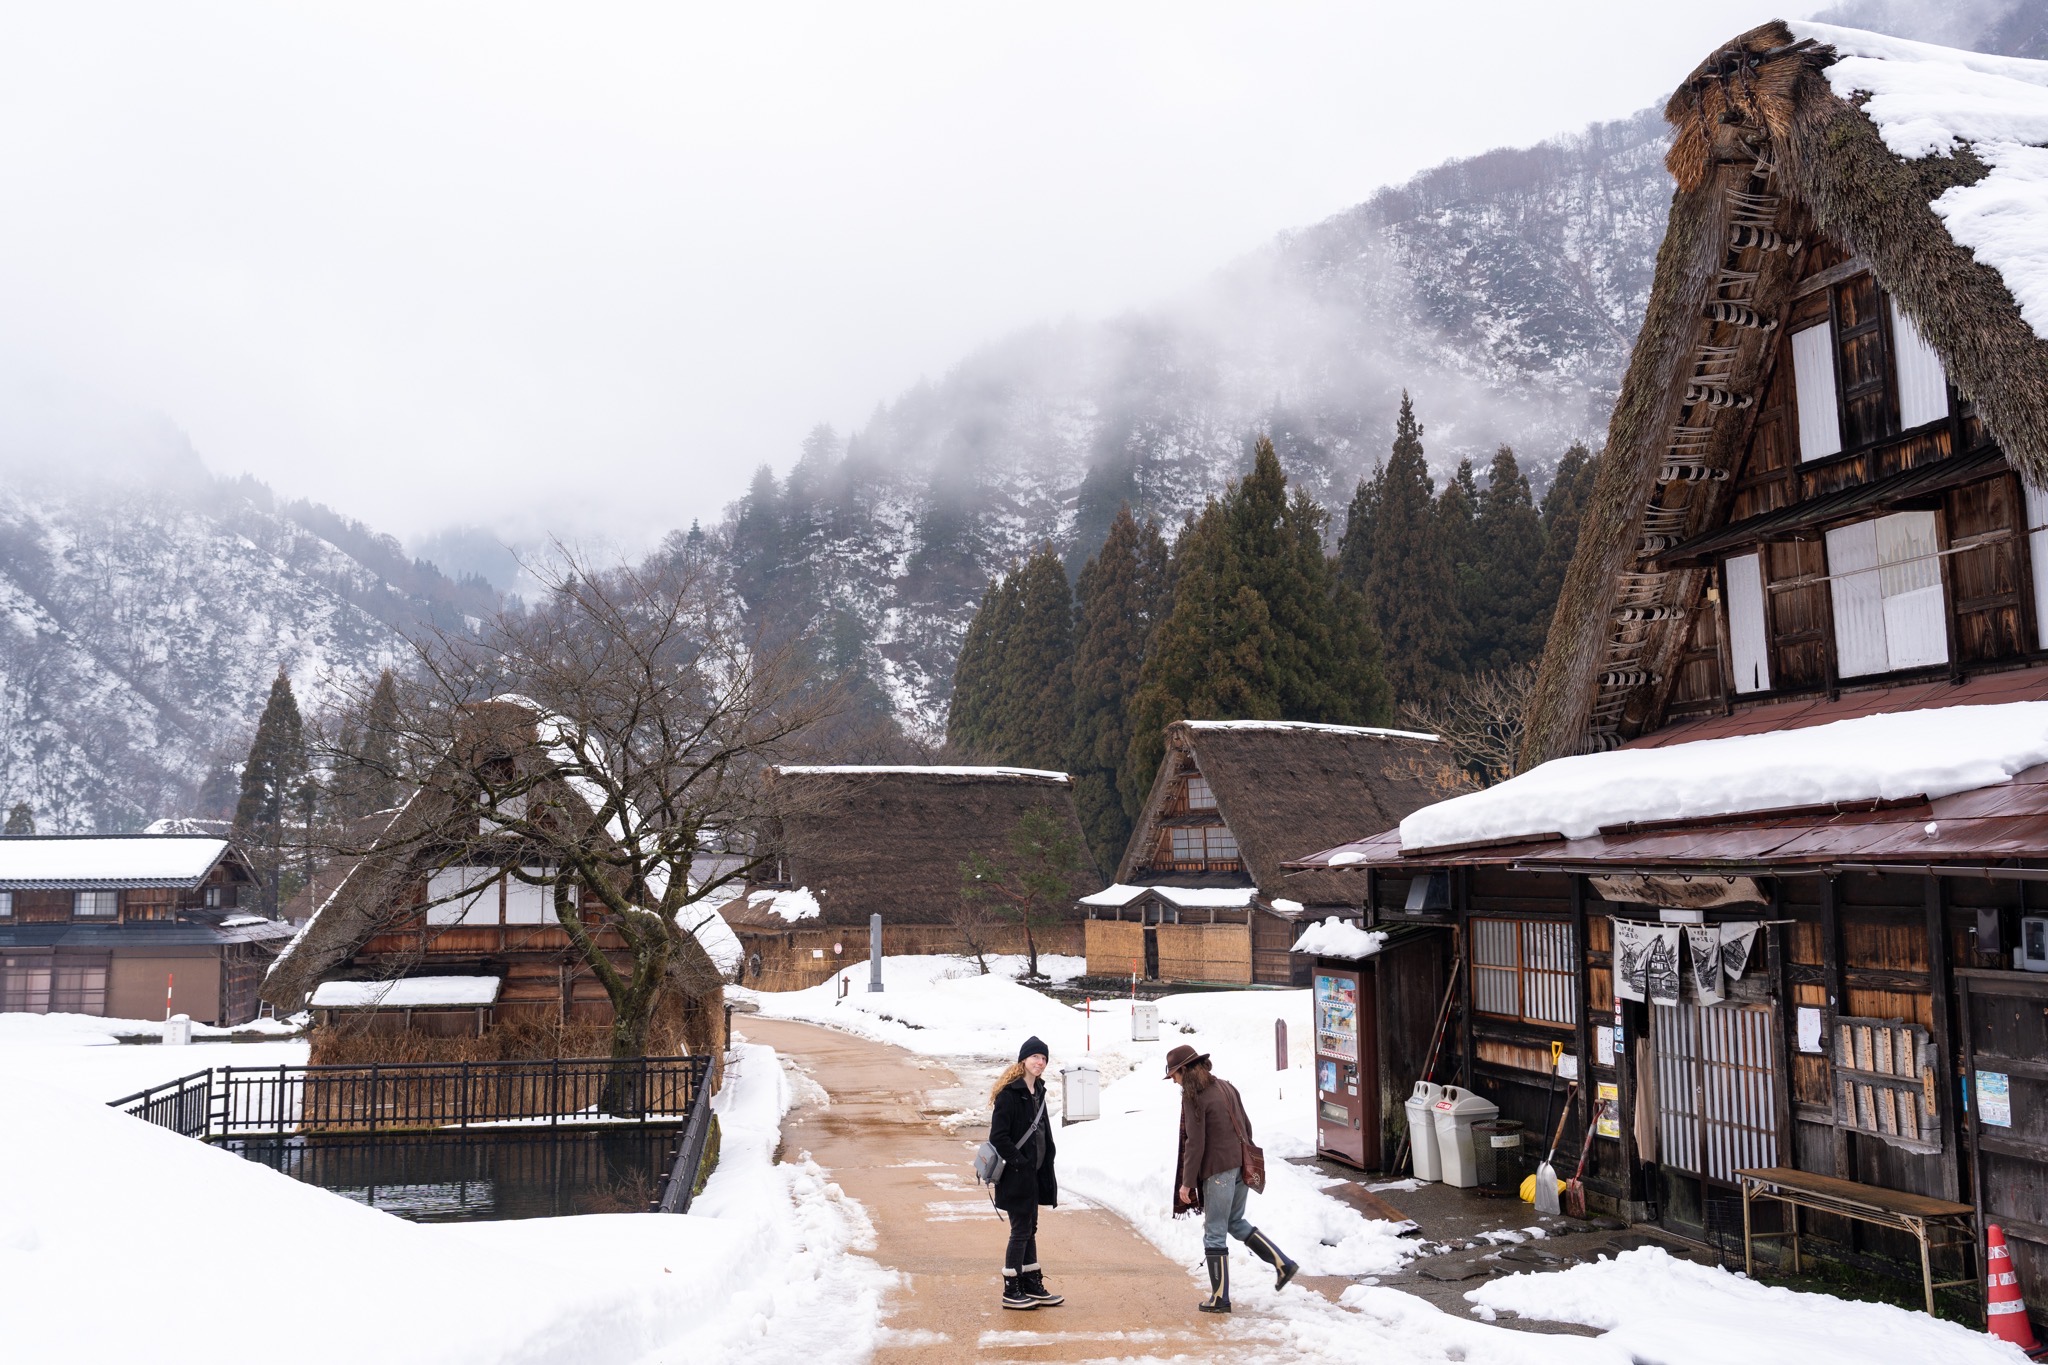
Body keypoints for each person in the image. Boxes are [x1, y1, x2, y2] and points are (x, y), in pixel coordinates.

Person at [1166, 1043, 1298, 1313]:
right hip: (1241, 1165)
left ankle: (1219, 1298)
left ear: (1184, 1071)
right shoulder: (1225, 1086)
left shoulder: (1193, 1096)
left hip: (1218, 1172)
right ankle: (1282, 1263)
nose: (1174, 1082)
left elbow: (1195, 1143)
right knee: (1234, 1222)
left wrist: (1187, 1182)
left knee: (1214, 1233)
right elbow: (1246, 1125)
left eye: (1174, 1076)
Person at [989, 1035, 1064, 1311]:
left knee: (1030, 1228)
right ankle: (1011, 1288)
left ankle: (1031, 1282)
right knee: (1020, 1230)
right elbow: (998, 1136)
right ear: (1023, 1059)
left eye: (1044, 1059)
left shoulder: (1039, 1092)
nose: (1040, 1063)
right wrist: (1019, 1162)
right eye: (1035, 1057)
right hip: (1016, 1174)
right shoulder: (1010, 1094)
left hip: (1034, 1174)